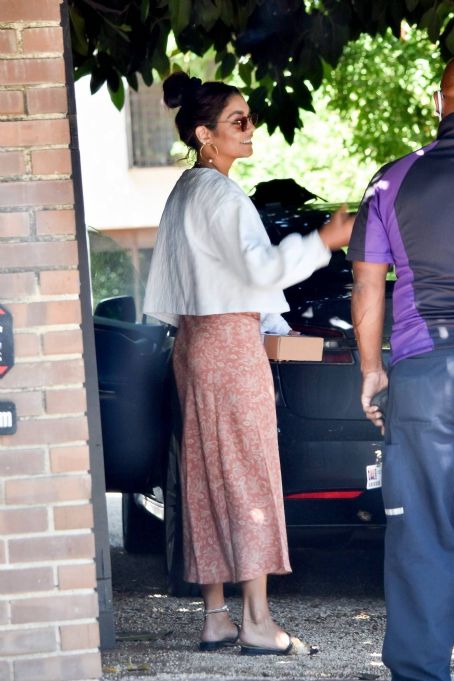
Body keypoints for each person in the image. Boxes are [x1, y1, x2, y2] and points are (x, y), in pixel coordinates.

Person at [143, 71, 352, 656]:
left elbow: (202, 282)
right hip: (230, 347)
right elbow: (261, 273)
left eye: (249, 117)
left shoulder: (186, 190)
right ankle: (257, 622)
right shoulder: (222, 195)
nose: (251, 127)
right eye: (238, 120)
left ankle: (216, 617)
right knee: (250, 476)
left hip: (194, 345)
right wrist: (325, 241)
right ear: (205, 134)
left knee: (206, 475)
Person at [347, 59, 454, 681]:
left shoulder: (391, 181)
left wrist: (371, 370)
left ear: (440, 100)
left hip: (422, 379)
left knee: (422, 542)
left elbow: (368, 289)